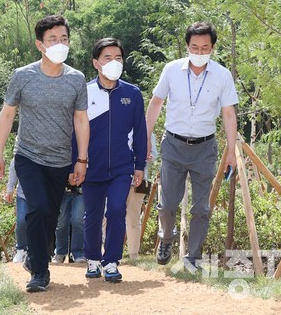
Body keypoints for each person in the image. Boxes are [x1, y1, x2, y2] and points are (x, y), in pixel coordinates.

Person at [0, 15, 89, 293]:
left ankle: (36, 256)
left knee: (50, 214)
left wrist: (81, 159)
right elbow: (7, 115)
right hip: (28, 156)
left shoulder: (76, 79)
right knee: (36, 208)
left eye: (64, 39)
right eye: (53, 39)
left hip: (59, 160)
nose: (60, 44)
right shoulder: (23, 76)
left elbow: (81, 120)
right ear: (40, 44)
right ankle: (39, 272)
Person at [145, 21, 238, 269]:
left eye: (204, 47)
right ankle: (166, 238)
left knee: (201, 208)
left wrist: (231, 152)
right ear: (187, 46)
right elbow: (156, 103)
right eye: (194, 47)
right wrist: (146, 136)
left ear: (213, 48)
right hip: (173, 144)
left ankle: (193, 257)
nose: (199, 52)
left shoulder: (222, 75)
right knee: (167, 204)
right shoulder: (172, 70)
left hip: (205, 148)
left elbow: (229, 114)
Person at [78, 37, 147, 283]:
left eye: (118, 58)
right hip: (91, 167)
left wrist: (140, 165)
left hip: (121, 167)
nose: (114, 62)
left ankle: (111, 262)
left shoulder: (133, 93)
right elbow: (75, 130)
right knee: (93, 216)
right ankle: (93, 259)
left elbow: (140, 131)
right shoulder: (84, 92)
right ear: (96, 63)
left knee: (117, 210)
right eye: (108, 58)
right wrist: (76, 162)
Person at [124, 133, 157, 260]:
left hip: (139, 181)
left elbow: (154, 154)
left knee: (133, 218)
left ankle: (133, 255)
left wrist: (147, 156)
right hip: (117, 179)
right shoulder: (117, 124)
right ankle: (110, 252)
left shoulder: (147, 130)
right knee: (110, 216)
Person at [52, 182, 85, 263]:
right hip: (62, 191)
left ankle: (78, 253)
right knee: (61, 223)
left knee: (78, 220)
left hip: (80, 191)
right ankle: (60, 252)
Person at [4, 157, 27, 263]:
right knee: (21, 221)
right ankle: (21, 249)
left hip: (40, 195)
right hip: (22, 194)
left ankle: (32, 250)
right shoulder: (20, 152)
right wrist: (9, 190)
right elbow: (13, 170)